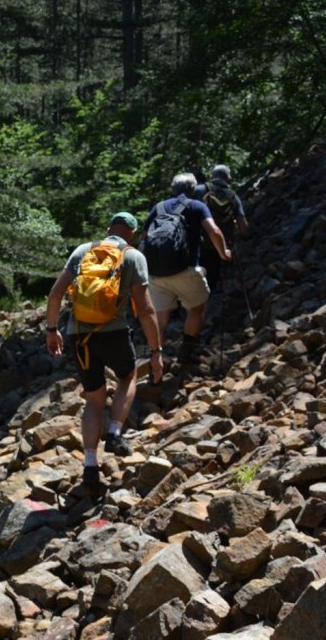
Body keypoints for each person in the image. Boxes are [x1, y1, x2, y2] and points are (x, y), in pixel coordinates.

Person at [45, 211, 164, 492]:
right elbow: (145, 309)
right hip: (114, 333)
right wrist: (156, 350)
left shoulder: (82, 251)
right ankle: (114, 432)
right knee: (127, 377)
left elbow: (55, 294)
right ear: (132, 233)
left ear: (109, 228)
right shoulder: (133, 256)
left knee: (93, 400)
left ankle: (89, 465)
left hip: (79, 336)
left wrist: (52, 330)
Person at [142, 172, 232, 369]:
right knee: (197, 307)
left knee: (161, 316)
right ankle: (187, 351)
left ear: (172, 189)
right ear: (193, 189)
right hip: (186, 270)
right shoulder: (197, 205)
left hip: (156, 272)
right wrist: (223, 252)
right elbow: (214, 231)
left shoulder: (158, 207)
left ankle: (156, 357)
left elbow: (144, 238)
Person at [193, 164, 248, 301]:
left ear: (212, 176)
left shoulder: (199, 190)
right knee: (211, 278)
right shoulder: (233, 196)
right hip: (220, 246)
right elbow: (244, 227)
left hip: (196, 242)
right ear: (228, 179)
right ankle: (206, 308)